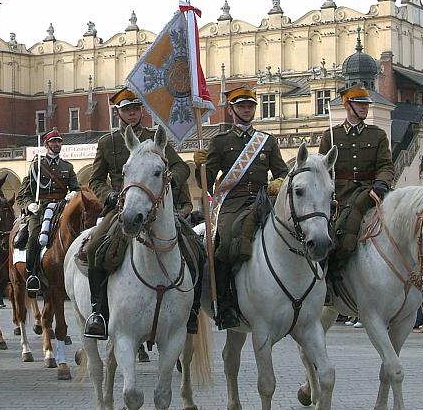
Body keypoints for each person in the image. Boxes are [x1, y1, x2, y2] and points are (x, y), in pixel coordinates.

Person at [82, 88, 190, 339]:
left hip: (154, 205)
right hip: (122, 206)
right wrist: (108, 195)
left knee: (191, 245)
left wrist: (170, 181)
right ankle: (98, 312)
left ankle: (191, 309)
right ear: (118, 113)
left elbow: (180, 167)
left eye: (135, 109)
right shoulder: (108, 143)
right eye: (126, 110)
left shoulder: (157, 140)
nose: (132, 114)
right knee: (95, 247)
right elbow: (96, 179)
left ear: (142, 111)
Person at [194, 86, 289, 331]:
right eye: (242, 105)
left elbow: (282, 172)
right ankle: (224, 304)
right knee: (224, 241)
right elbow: (206, 182)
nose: (247, 109)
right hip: (232, 202)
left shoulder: (267, 142)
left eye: (250, 105)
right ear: (232, 109)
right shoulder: (221, 141)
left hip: (262, 199)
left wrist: (278, 182)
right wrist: (201, 168)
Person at [318, 84, 395, 268]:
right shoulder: (331, 135)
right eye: (359, 104)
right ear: (347, 105)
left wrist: (381, 184)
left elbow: (386, 166)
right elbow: (322, 169)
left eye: (366, 104)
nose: (364, 108)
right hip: (339, 195)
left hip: (368, 193)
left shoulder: (377, 135)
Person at [16, 129, 80, 294]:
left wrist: (73, 194)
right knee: (34, 235)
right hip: (40, 209)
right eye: (53, 142)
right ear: (46, 144)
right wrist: (30, 205)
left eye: (59, 141)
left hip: (61, 206)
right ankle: (32, 275)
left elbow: (76, 188)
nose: (57, 144)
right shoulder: (36, 166)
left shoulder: (67, 167)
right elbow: (24, 194)